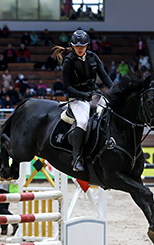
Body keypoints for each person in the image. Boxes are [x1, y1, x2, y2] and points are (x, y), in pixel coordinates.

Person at [52, 30, 113, 172]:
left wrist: (116, 91)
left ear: (87, 46)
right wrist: (83, 95)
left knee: (110, 111)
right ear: (72, 46)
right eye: (77, 46)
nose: (80, 49)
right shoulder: (68, 62)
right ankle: (76, 158)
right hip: (76, 98)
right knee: (83, 121)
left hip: (94, 94)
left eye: (83, 46)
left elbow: (104, 77)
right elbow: (67, 87)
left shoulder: (93, 57)